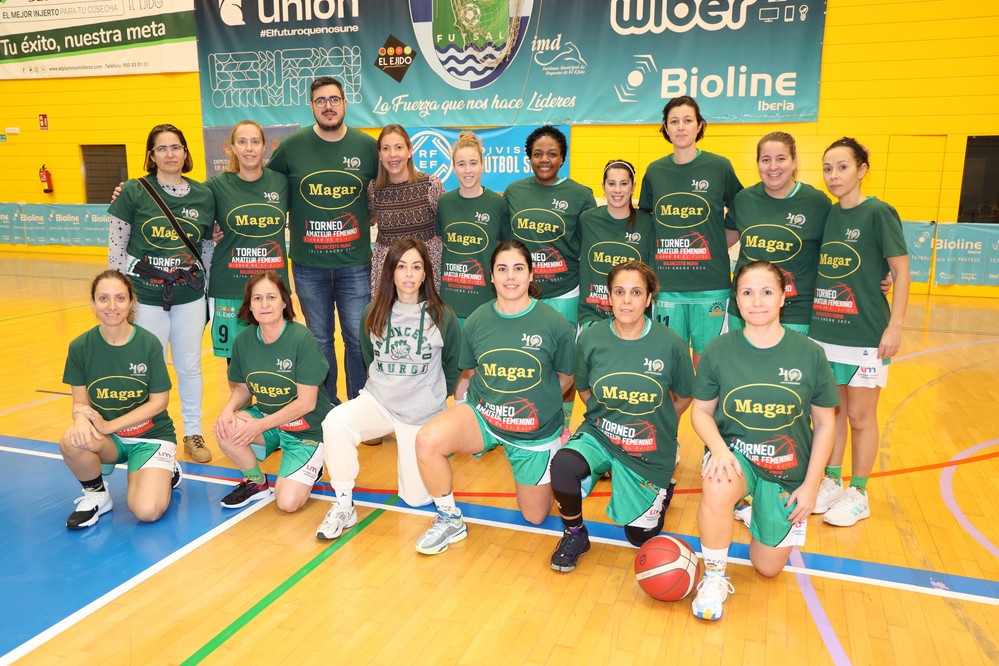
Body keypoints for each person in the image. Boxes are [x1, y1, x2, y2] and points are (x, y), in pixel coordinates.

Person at [690, 261, 838, 620]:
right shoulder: (719, 349)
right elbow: (700, 412)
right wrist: (719, 450)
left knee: (768, 567)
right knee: (717, 483)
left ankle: (757, 511)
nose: (757, 301)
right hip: (736, 456)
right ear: (736, 301)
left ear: (784, 296)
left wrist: (812, 485)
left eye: (767, 292)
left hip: (787, 467)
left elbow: (825, 423)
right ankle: (713, 575)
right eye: (747, 292)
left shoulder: (810, 353)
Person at [414, 240, 575, 555]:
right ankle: (449, 517)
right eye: (502, 269)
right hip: (485, 417)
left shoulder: (554, 324)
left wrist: (536, 406)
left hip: (533, 432)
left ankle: (558, 445)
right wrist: (496, 403)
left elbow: (566, 378)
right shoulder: (476, 320)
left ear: (531, 275)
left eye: (518, 269)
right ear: (491, 276)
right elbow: (473, 372)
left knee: (535, 515)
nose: (510, 277)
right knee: (427, 440)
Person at [549, 261, 693, 572]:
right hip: (602, 434)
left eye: (636, 292)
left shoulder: (670, 343)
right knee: (563, 464)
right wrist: (606, 418)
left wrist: (660, 423)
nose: (627, 300)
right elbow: (585, 389)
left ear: (649, 298)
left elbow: (684, 396)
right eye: (620, 292)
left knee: (639, 537)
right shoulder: (590, 338)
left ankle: (661, 488)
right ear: (609, 297)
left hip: (648, 445)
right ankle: (574, 533)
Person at [316, 238, 461, 539]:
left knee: (417, 499)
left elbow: (453, 366)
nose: (409, 274)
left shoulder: (443, 316)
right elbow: (370, 359)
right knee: (335, 422)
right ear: (391, 272)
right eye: (401, 266)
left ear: (425, 274)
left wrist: (431, 397)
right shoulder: (373, 312)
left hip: (421, 412)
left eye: (416, 267)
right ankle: (344, 504)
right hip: (379, 402)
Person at [809, 137, 911, 527]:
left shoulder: (879, 213)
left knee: (862, 417)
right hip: (825, 332)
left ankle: (860, 491)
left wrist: (895, 325)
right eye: (828, 169)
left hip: (866, 334)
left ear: (862, 170)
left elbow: (900, 273)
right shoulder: (829, 215)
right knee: (831, 414)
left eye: (842, 167)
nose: (834, 176)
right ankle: (832, 481)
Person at [108, 123, 216, 463]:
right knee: (145, 367)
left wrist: (207, 289)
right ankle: (146, 431)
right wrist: (114, 291)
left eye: (176, 147)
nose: (170, 154)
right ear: (151, 156)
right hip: (146, 296)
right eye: (162, 148)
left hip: (189, 297)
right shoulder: (134, 191)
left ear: (186, 152)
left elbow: (208, 247)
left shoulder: (204, 194)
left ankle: (193, 433)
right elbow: (117, 244)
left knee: (189, 366)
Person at [267, 76, 378, 406]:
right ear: (312, 106)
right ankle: (328, 408)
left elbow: (392, 184)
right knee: (319, 340)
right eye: (320, 101)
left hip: (355, 264)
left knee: (358, 338)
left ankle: (360, 407)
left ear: (345, 103)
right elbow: (262, 187)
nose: (328, 106)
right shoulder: (291, 147)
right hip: (308, 266)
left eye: (334, 99)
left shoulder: (366, 147)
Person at [60, 270, 181, 529]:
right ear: (93, 303)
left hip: (150, 437)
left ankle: (166, 468)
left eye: (119, 298)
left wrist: (108, 426)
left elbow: (159, 403)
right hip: (112, 441)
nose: (112, 306)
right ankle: (97, 494)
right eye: (103, 298)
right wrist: (80, 418)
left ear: (130, 302)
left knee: (146, 511)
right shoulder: (80, 347)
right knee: (72, 440)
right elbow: (80, 403)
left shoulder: (148, 344)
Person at [638, 96, 743, 370]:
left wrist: (721, 243)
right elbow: (647, 222)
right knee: (668, 371)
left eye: (687, 120)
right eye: (674, 121)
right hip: (666, 288)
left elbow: (744, 207)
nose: (681, 127)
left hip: (711, 288)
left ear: (699, 126)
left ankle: (705, 416)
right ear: (666, 127)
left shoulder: (719, 167)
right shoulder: (655, 171)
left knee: (709, 373)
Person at [503, 125, 596, 426]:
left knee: (563, 365)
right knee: (526, 362)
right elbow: (506, 246)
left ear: (562, 158)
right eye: (538, 153)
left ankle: (562, 425)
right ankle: (524, 418)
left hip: (565, 294)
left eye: (552, 154)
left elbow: (589, 248)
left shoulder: (581, 195)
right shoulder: (514, 193)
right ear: (529, 157)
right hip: (523, 297)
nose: (545, 159)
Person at [213, 272, 329, 512]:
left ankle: (314, 465)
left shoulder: (301, 338)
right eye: (257, 298)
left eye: (271, 297)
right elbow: (243, 388)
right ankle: (256, 483)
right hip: (270, 421)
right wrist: (228, 409)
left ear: (284, 302)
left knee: (287, 503)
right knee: (225, 426)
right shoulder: (243, 340)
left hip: (305, 429)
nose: (264, 304)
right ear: (250, 305)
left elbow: (307, 403)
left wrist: (260, 425)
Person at [725, 132, 831, 334]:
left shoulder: (817, 203)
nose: (773, 166)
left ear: (794, 162)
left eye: (781, 158)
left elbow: (838, 249)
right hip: (744, 311)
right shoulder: (744, 199)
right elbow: (719, 242)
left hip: (795, 312)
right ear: (757, 163)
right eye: (766, 160)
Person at [206, 120, 290, 362]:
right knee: (237, 364)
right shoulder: (216, 185)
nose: (249, 148)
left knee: (276, 361)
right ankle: (241, 403)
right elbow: (183, 201)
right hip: (230, 289)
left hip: (273, 289)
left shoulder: (282, 182)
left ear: (264, 147)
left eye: (255, 142)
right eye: (242, 142)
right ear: (232, 147)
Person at [435, 131, 511, 326]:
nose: (467, 170)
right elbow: (440, 243)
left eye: (473, 163)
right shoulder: (444, 203)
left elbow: (505, 251)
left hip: (485, 300)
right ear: (454, 167)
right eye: (461, 164)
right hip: (450, 301)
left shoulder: (497, 204)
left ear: (482, 165)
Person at [368, 124, 446, 295]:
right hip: (387, 276)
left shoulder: (430, 185)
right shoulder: (374, 189)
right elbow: (369, 218)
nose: (393, 155)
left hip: (426, 276)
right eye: (386, 149)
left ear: (410, 150)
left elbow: (445, 228)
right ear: (379, 155)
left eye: (399, 147)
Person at [577, 159, 655, 328]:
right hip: (593, 316)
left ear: (633, 187)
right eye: (611, 183)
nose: (617, 190)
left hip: (634, 316)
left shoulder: (647, 223)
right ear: (603, 187)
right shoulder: (586, 220)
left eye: (624, 183)